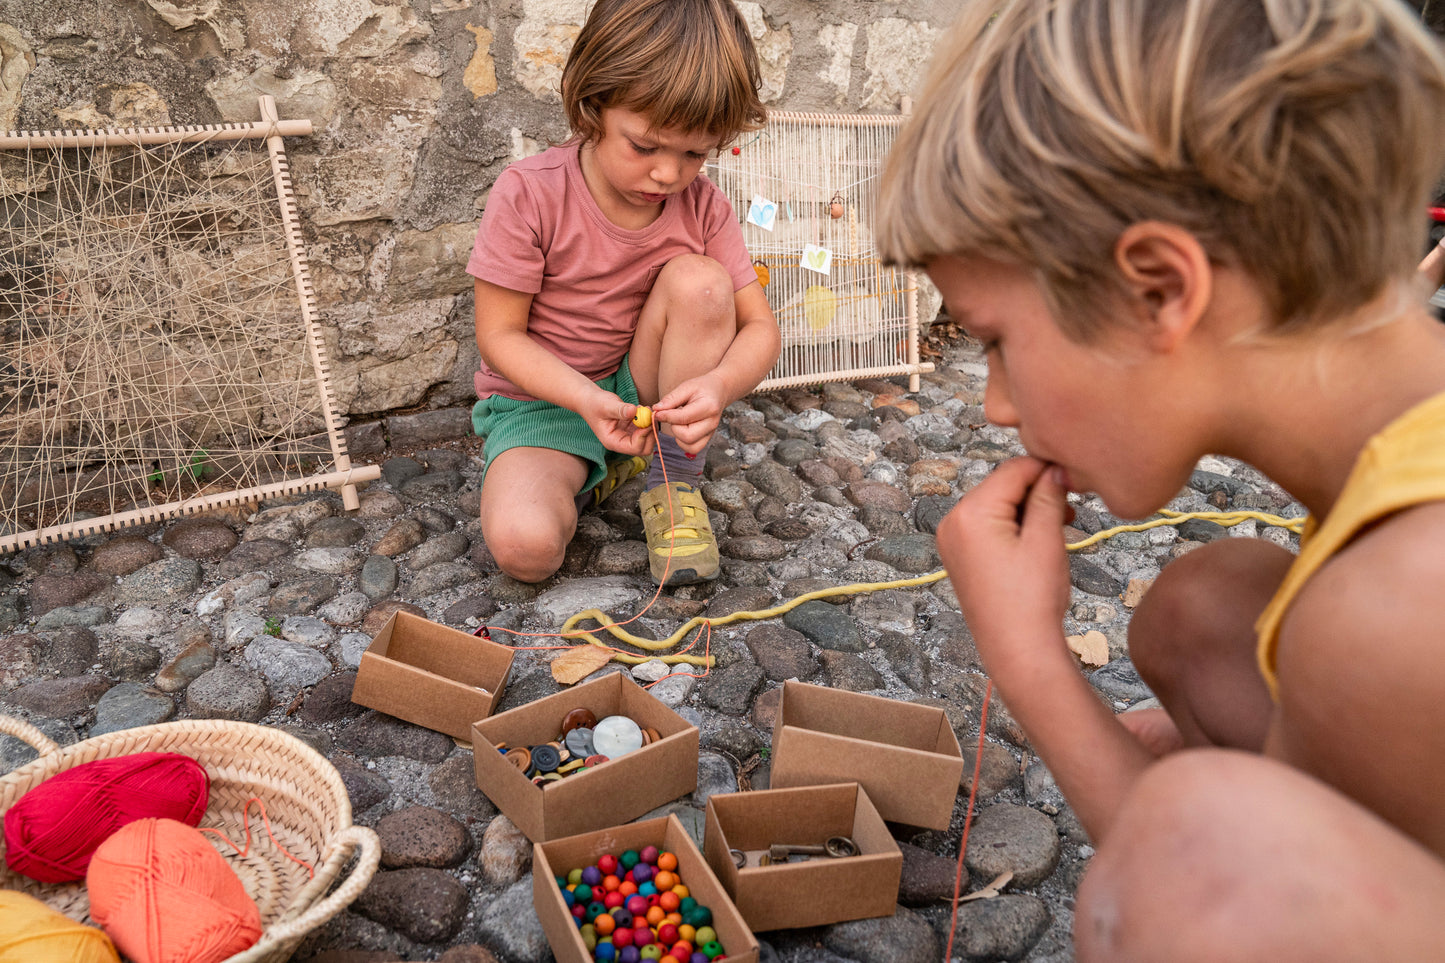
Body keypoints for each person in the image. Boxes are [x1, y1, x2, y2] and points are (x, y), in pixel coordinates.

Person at [876, 0, 1445, 958]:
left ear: (1158, 289)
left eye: (997, 344)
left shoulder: (1401, 603)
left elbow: (1196, 875)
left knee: (1189, 854)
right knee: (1203, 605)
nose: (995, 407)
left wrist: (1031, 666)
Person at [467, 0, 780, 586]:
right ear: (593, 105)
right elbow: (498, 337)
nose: (669, 175)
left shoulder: (703, 206)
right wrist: (585, 401)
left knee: (703, 282)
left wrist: (717, 385)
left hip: (643, 391)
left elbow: (760, 328)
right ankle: (597, 466)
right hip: (546, 403)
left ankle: (671, 478)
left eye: (694, 154)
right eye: (645, 146)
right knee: (526, 550)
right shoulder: (529, 193)